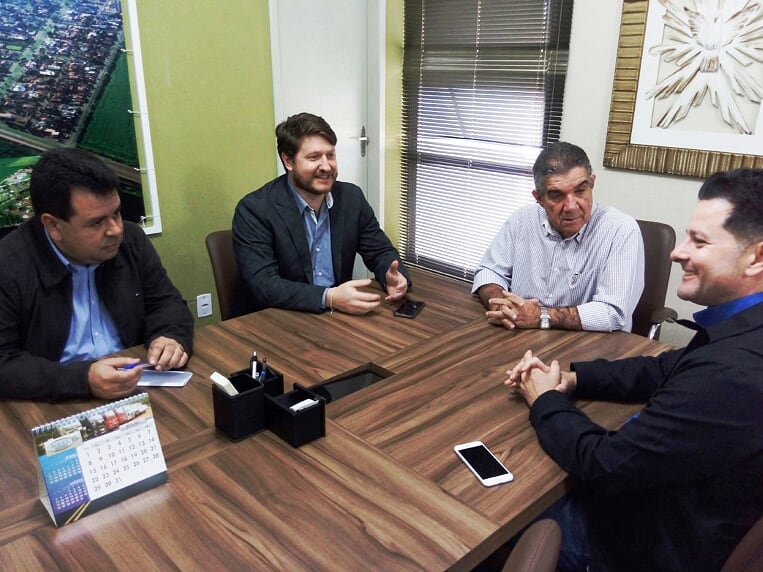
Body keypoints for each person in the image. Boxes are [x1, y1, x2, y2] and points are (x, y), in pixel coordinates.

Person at [505, 168, 763, 571]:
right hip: (684, 508)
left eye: (699, 241)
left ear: (756, 258)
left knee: (504, 518)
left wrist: (545, 400)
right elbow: (666, 368)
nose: (678, 253)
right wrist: (575, 378)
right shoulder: (744, 329)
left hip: (644, 545)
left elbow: (604, 464)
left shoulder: (733, 373)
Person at [0, 148, 194, 402]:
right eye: (97, 222)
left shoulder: (131, 241)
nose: (115, 230)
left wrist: (169, 336)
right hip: (54, 400)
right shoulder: (9, 265)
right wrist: (83, 380)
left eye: (116, 213)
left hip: (134, 384)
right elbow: (3, 362)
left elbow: (167, 302)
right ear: (53, 225)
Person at [232, 112, 410, 316]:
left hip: (334, 316)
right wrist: (329, 297)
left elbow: (379, 251)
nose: (326, 166)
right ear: (288, 161)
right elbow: (264, 284)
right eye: (314, 157)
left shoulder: (351, 198)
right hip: (274, 318)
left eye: (330, 155)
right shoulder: (255, 209)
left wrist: (392, 276)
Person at [472, 142, 644, 331]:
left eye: (580, 190)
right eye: (557, 195)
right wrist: (502, 306)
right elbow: (488, 271)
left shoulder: (621, 230)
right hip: (519, 333)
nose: (571, 206)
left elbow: (613, 313)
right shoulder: (522, 219)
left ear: (592, 183)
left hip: (591, 343)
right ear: (539, 198)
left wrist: (541, 317)